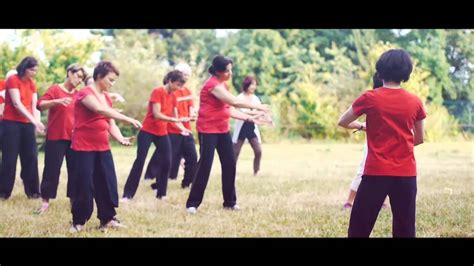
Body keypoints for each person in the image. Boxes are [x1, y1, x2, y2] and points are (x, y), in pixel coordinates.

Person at [338, 49, 426, 238]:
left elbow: (342, 121)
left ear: (380, 70)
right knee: (405, 230)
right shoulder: (415, 102)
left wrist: (363, 127)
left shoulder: (369, 98)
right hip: (406, 175)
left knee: (359, 229)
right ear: (406, 73)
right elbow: (419, 138)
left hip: (375, 173)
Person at [185, 55, 271, 214]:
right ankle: (192, 204)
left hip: (222, 130)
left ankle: (230, 202)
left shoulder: (222, 85)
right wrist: (258, 107)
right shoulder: (213, 85)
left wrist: (251, 118)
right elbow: (235, 102)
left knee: (230, 164)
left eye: (231, 69)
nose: (230, 73)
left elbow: (228, 109)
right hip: (208, 130)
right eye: (228, 71)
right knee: (205, 165)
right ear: (218, 72)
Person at [69, 61, 142, 233]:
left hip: (102, 147)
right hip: (83, 147)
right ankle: (78, 221)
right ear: (99, 76)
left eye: (114, 80)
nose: (112, 83)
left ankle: (107, 218)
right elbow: (100, 110)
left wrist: (120, 138)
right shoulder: (84, 93)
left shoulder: (106, 97)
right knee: (85, 186)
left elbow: (110, 123)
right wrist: (128, 119)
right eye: (110, 79)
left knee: (107, 184)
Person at [121, 70, 190, 202]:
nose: (179, 88)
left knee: (167, 161)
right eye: (177, 84)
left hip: (162, 132)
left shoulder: (173, 96)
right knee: (140, 161)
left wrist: (183, 128)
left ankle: (161, 194)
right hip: (147, 131)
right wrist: (174, 121)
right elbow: (157, 114)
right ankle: (127, 195)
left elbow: (176, 118)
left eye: (181, 85)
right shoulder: (158, 92)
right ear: (170, 81)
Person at [34, 64, 86, 214]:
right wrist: (56, 102)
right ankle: (45, 202)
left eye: (81, 78)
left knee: (75, 170)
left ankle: (73, 200)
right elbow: (40, 105)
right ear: (69, 73)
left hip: (75, 138)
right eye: (77, 76)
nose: (78, 80)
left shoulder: (79, 94)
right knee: (51, 170)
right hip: (56, 137)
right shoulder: (55, 89)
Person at [146, 62, 198, 189]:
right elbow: (163, 108)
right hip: (171, 129)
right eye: (184, 74)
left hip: (185, 127)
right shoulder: (170, 89)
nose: (186, 77)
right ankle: (158, 184)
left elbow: (191, 106)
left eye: (188, 75)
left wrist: (192, 114)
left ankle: (187, 183)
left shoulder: (186, 90)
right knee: (167, 158)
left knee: (192, 157)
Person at [342, 72, 389, 210]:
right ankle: (350, 202)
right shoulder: (372, 98)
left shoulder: (373, 98)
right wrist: (362, 126)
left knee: (386, 171)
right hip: (375, 142)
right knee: (364, 170)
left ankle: (382, 202)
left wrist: (362, 126)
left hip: (384, 141)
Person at [0, 57, 45, 200]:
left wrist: (37, 122)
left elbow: (34, 105)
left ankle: (33, 192)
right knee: (9, 158)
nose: (34, 73)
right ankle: (3, 192)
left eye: (36, 70)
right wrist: (33, 121)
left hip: (27, 124)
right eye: (32, 69)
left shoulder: (32, 83)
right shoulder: (13, 79)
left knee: (31, 157)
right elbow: (16, 103)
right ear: (24, 68)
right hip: (11, 123)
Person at [232, 76, 271, 176]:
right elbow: (247, 114)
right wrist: (259, 113)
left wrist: (267, 119)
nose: (254, 87)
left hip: (251, 128)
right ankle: (231, 172)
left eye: (255, 85)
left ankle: (256, 171)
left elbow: (259, 111)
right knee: (235, 153)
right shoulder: (240, 98)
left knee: (258, 151)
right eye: (252, 84)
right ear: (247, 85)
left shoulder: (255, 98)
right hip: (242, 128)